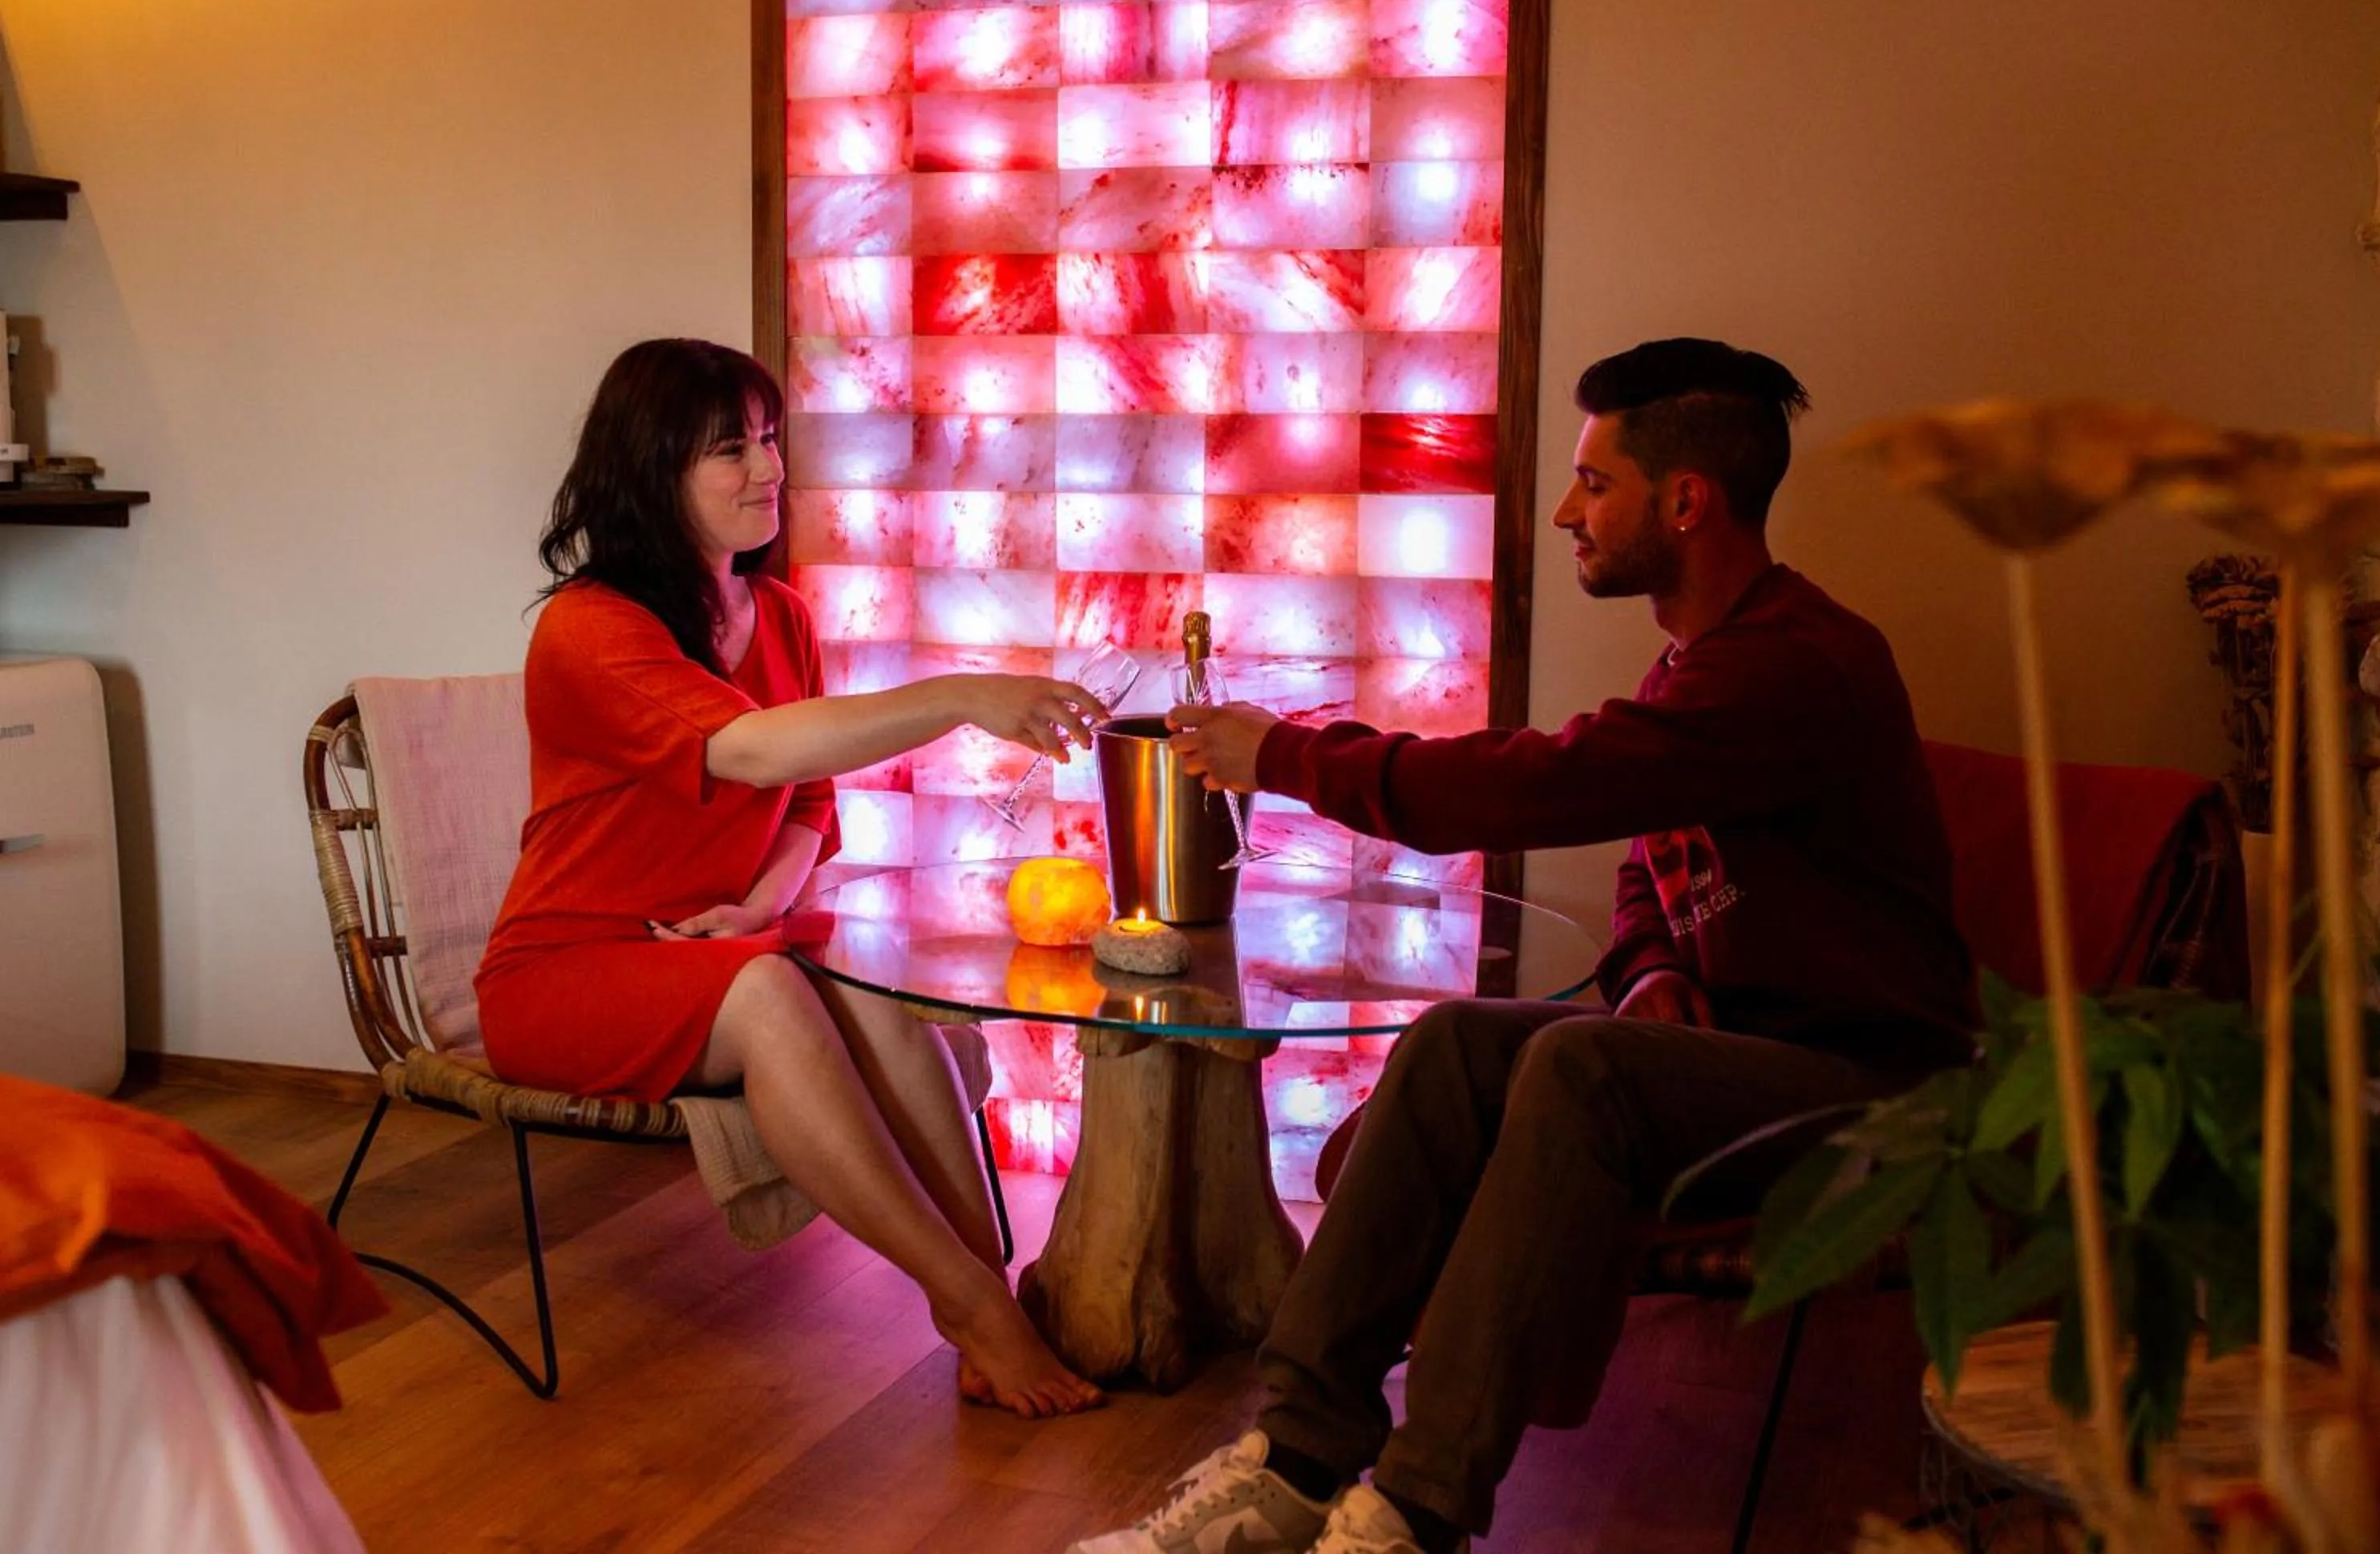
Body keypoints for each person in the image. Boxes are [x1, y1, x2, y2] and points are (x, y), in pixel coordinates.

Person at [1071, 338, 1975, 1552]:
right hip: (1746, 1059)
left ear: (1687, 500)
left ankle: (1415, 1507)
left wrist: (1282, 755)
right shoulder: (1704, 664)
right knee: (1454, 1044)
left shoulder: (1798, 668)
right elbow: (1651, 852)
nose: (1566, 511)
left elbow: (1545, 789)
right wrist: (1653, 967)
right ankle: (1291, 1461)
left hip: (1878, 1096)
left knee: (1578, 1067)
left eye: (1595, 484)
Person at [475, 337, 1106, 1419]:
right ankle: (968, 1302)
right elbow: (760, 752)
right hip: (566, 972)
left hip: (714, 953)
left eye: (770, 440)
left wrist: (759, 905)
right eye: (733, 448)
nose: (771, 470)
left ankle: (990, 1292)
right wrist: (959, 692)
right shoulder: (587, 631)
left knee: (872, 985)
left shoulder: (786, 619)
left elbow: (808, 807)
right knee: (772, 992)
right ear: (650, 468)